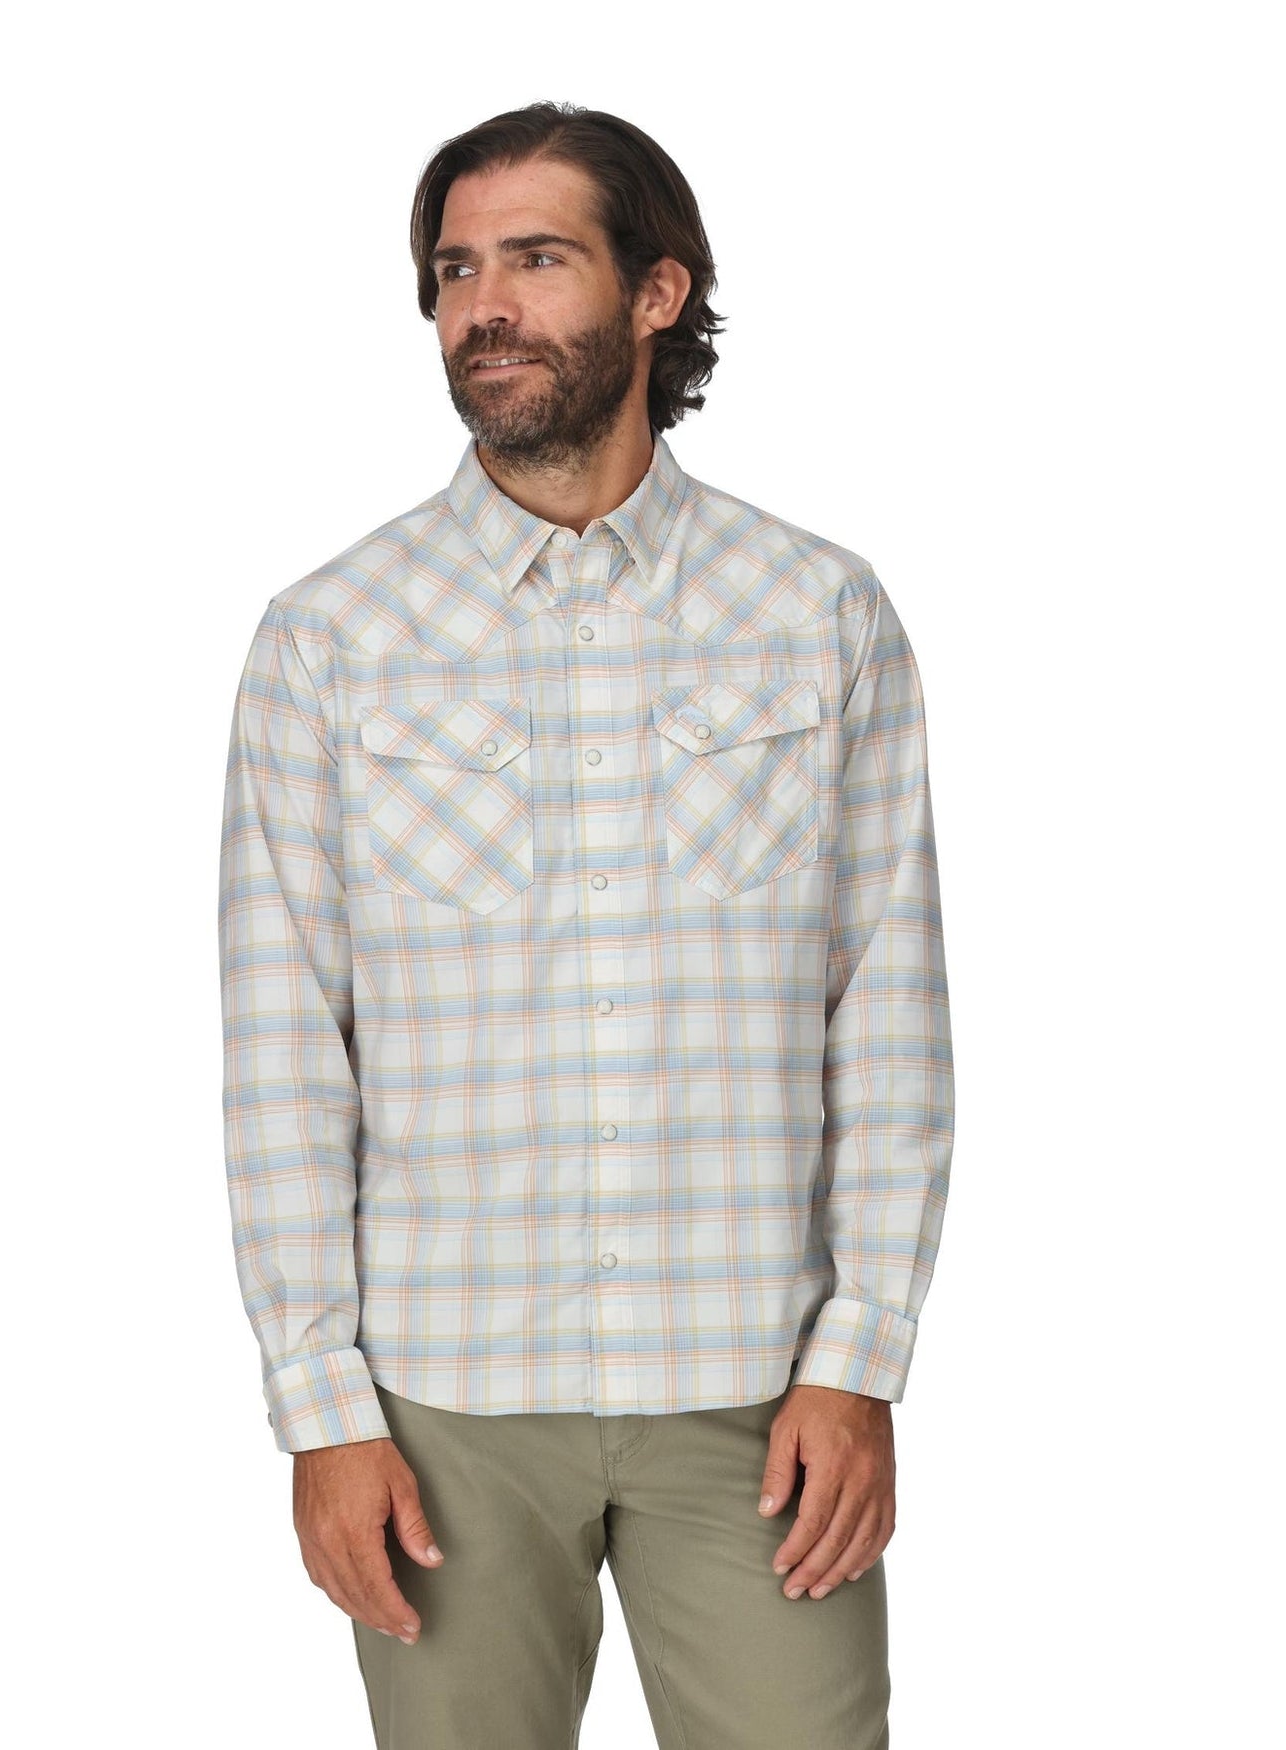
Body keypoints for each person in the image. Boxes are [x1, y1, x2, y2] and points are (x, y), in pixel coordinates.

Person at [218, 99, 954, 1750]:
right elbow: (284, 1053)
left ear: (656, 292)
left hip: (758, 1389)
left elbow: (889, 1010)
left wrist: (862, 1360)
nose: (483, 306)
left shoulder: (819, 613)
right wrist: (321, 1410)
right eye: (455, 270)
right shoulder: (329, 639)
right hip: (444, 1403)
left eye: (538, 260)